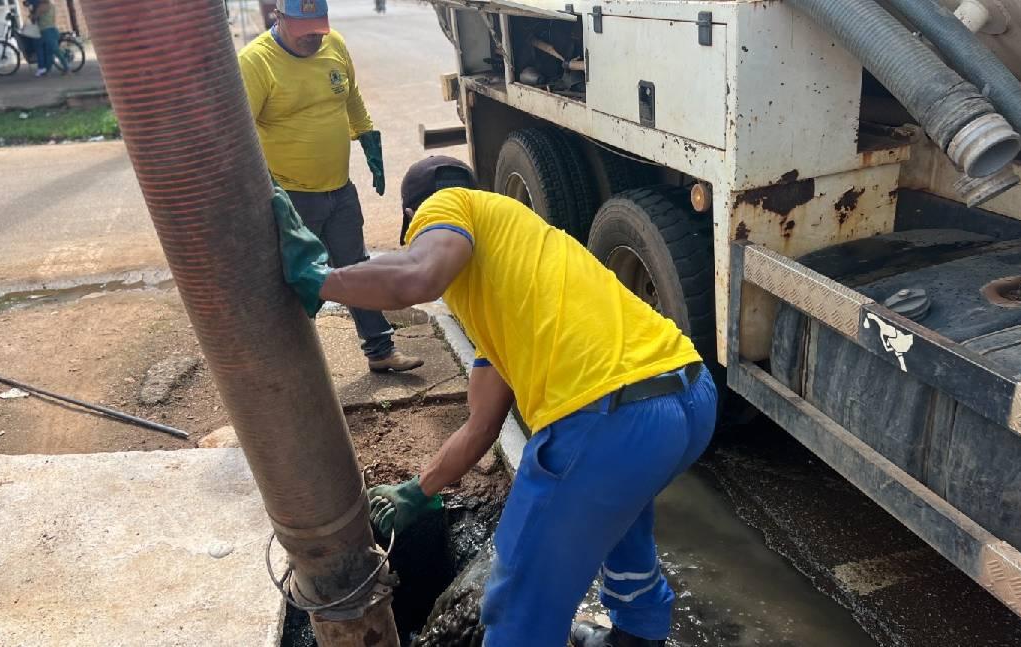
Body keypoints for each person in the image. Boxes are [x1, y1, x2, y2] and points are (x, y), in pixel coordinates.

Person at [271, 156, 718, 647]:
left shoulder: (449, 203)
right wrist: (418, 491)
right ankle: (637, 636)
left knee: (518, 599)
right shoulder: (516, 269)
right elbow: (482, 426)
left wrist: (322, 277)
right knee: (620, 512)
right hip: (690, 396)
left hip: (611, 417)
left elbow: (417, 277)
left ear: (414, 217)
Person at [239, 0, 422, 373]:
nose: (313, 38)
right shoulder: (256, 62)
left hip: (339, 189)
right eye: (303, 31)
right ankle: (289, 368)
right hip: (291, 197)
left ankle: (380, 350)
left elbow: (351, 97)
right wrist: (265, 188)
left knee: (356, 269)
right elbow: (241, 133)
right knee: (294, 281)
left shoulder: (334, 43)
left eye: (318, 29)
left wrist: (368, 138)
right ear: (279, 17)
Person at [29, 0, 66, 77]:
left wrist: (31, 14)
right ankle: (48, 71)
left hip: (46, 31)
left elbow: (34, 18)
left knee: (55, 50)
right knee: (49, 52)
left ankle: (66, 67)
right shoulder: (52, 5)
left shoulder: (41, 7)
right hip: (53, 29)